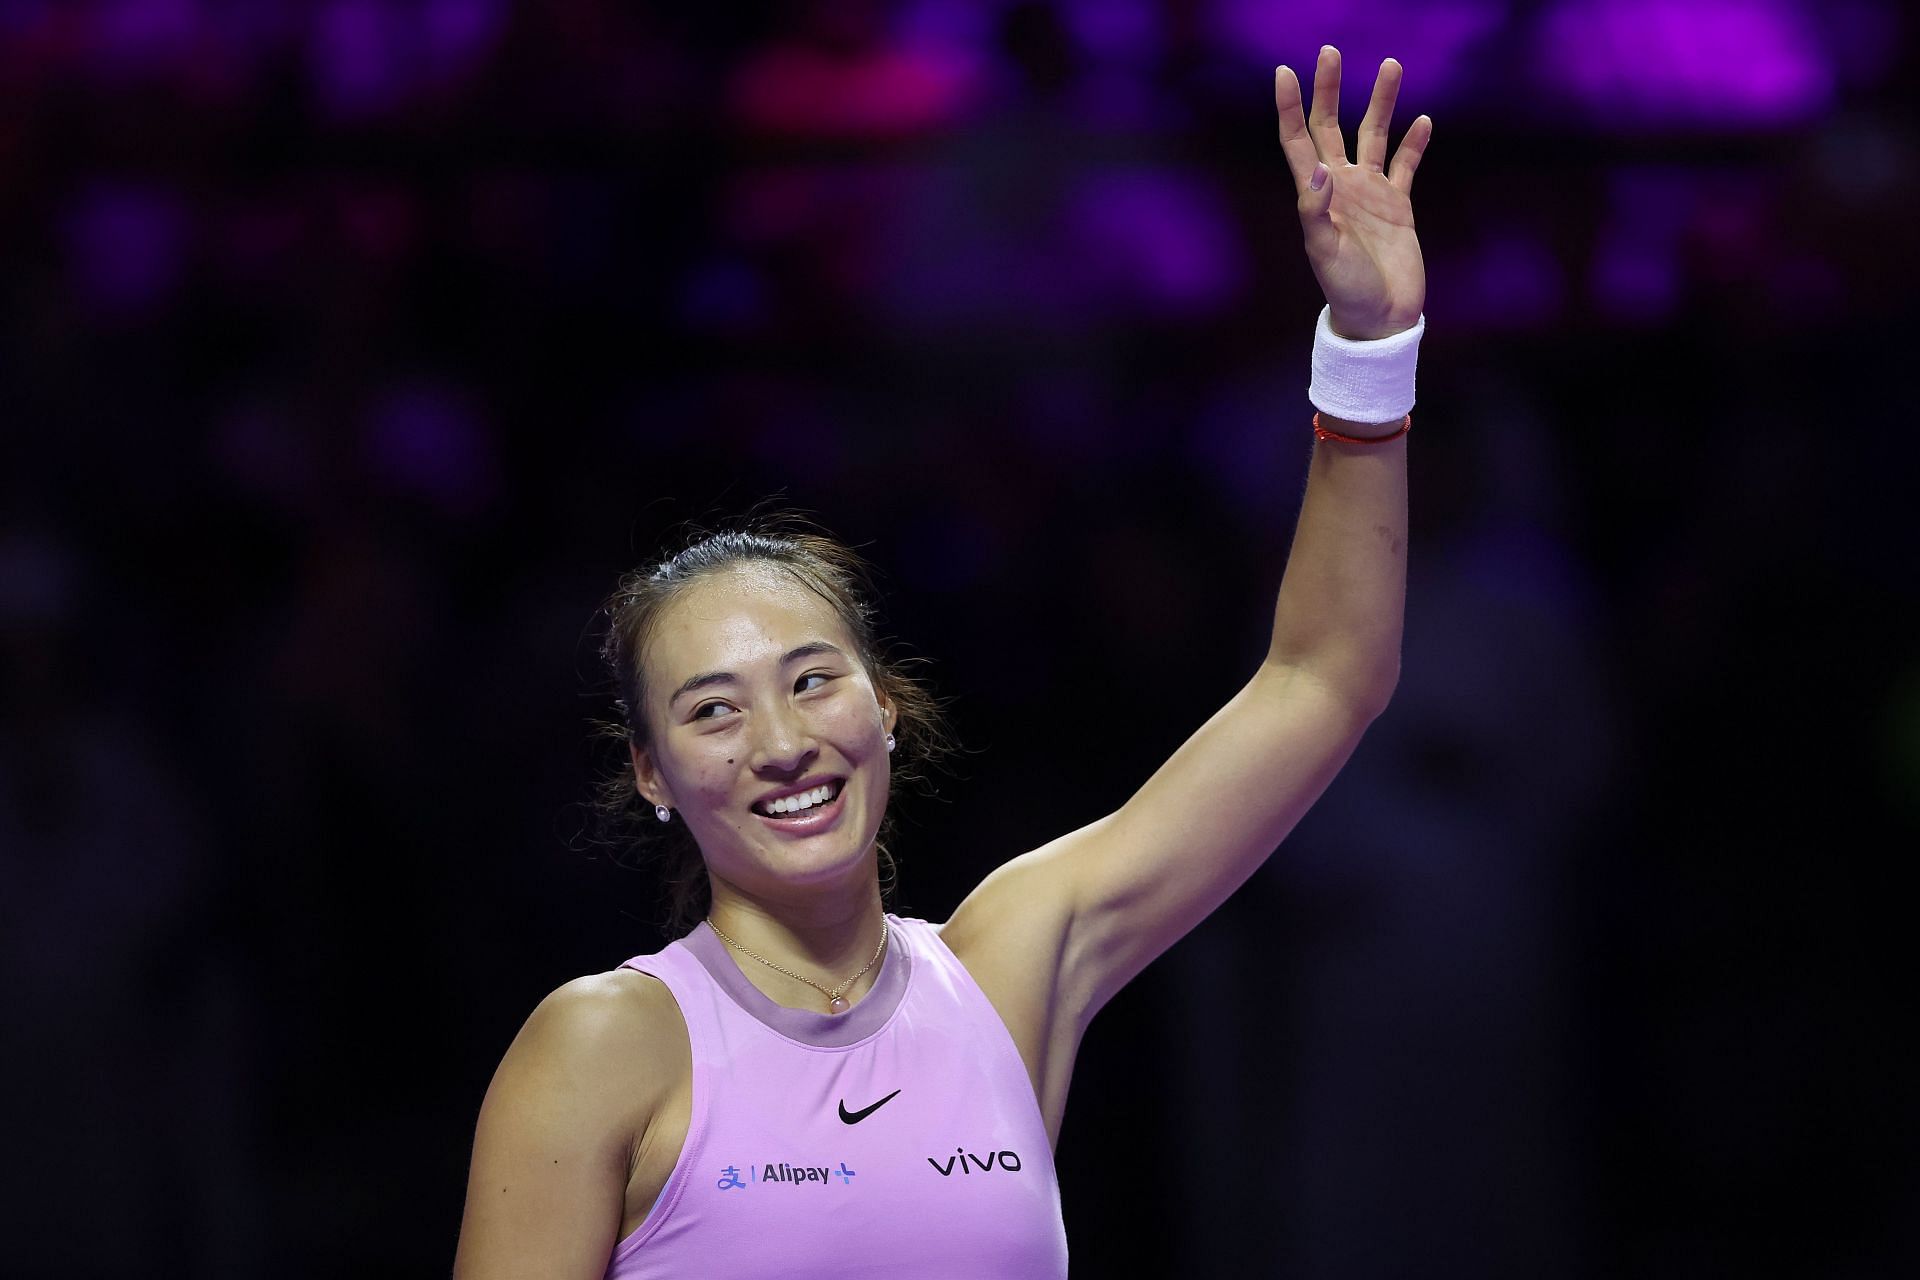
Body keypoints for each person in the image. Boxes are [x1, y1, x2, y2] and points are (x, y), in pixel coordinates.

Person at [453, 46, 1433, 1279]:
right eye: (713, 709)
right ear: (651, 772)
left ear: (887, 707)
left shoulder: (1009, 970)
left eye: (812, 677)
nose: (783, 739)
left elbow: (1325, 677)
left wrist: (1367, 342)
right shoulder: (602, 1044)